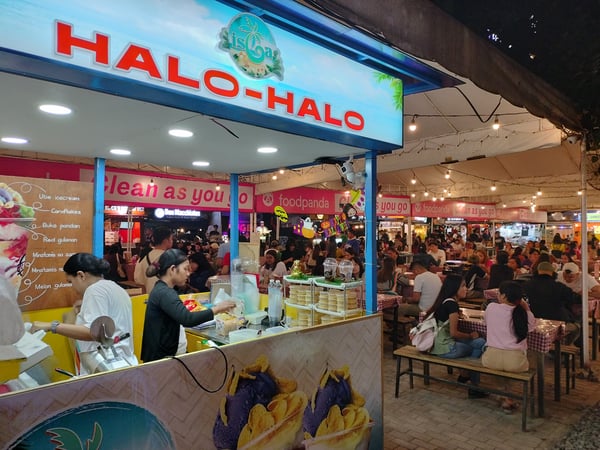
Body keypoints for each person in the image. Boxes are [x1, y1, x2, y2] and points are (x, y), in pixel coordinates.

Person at [32, 253, 138, 375]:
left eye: (71, 281)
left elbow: (92, 332)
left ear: (81, 275)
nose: (72, 288)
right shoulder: (115, 288)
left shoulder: (95, 290)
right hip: (123, 363)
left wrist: (52, 326)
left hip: (108, 367)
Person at [141, 249, 236, 362]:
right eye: (185, 269)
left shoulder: (162, 289)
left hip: (161, 356)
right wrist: (217, 309)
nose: (188, 273)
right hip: (159, 360)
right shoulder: (165, 293)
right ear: (172, 269)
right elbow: (187, 318)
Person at [427, 274, 487, 398]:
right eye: (463, 286)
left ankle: (465, 375)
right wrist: (470, 335)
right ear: (454, 288)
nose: (466, 289)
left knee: (479, 343)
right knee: (479, 344)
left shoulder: (443, 301)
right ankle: (473, 384)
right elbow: (454, 333)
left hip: (435, 344)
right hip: (446, 348)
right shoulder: (452, 305)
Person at [482, 281, 536, 413]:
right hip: (515, 362)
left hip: (491, 359)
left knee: (500, 366)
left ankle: (504, 396)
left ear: (504, 296)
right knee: (533, 357)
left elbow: (485, 322)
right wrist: (526, 307)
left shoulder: (491, 308)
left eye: (499, 293)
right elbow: (532, 327)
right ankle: (507, 398)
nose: (497, 295)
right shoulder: (523, 313)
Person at [523, 261, 581, 345]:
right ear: (553, 273)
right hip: (557, 323)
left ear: (536, 272)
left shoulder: (526, 285)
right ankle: (565, 346)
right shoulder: (559, 287)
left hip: (532, 321)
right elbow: (575, 299)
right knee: (577, 326)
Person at [134, 226, 173, 294]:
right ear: (166, 241)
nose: (172, 241)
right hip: (167, 297)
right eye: (171, 239)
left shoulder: (144, 257)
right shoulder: (171, 257)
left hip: (150, 297)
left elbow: (139, 281)